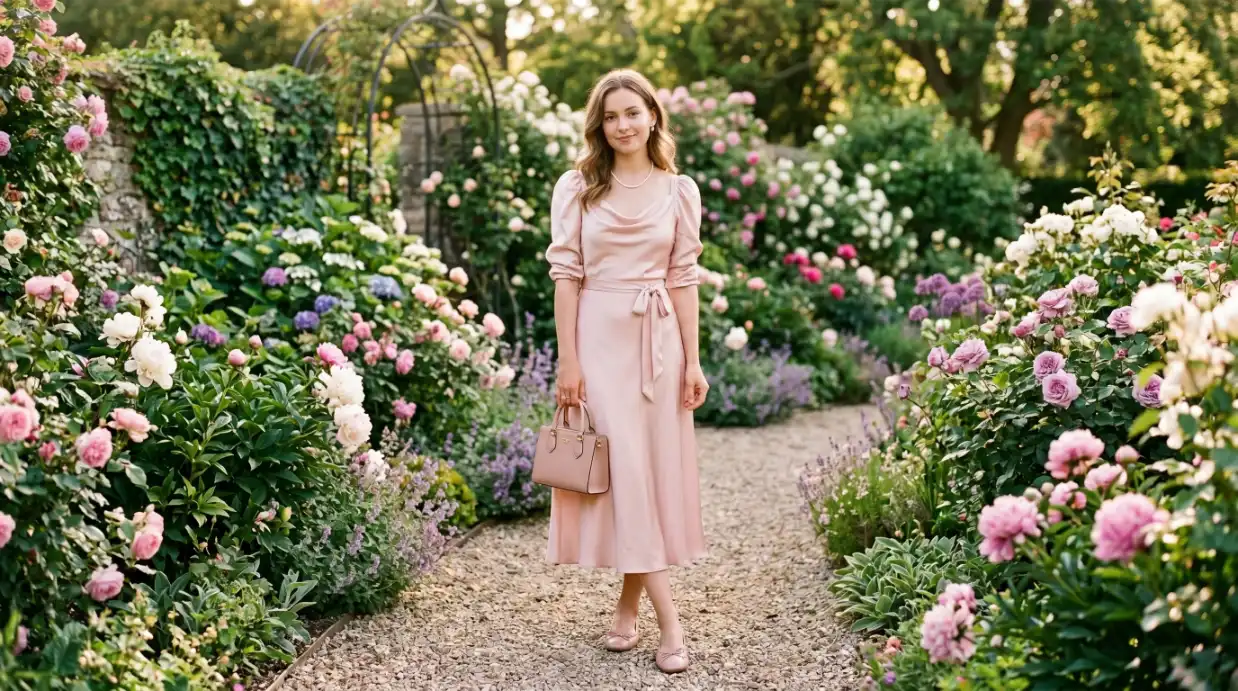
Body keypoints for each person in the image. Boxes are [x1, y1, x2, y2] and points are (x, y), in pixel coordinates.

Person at [543, 68, 710, 675]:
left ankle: (626, 607)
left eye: (632, 113)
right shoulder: (579, 186)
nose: (622, 125)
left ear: (653, 117)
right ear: (599, 123)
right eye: (610, 116)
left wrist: (693, 360)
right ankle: (671, 622)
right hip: (598, 341)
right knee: (625, 478)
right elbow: (566, 276)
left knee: (647, 475)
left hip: (658, 347)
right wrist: (568, 358)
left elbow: (683, 279)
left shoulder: (677, 190)